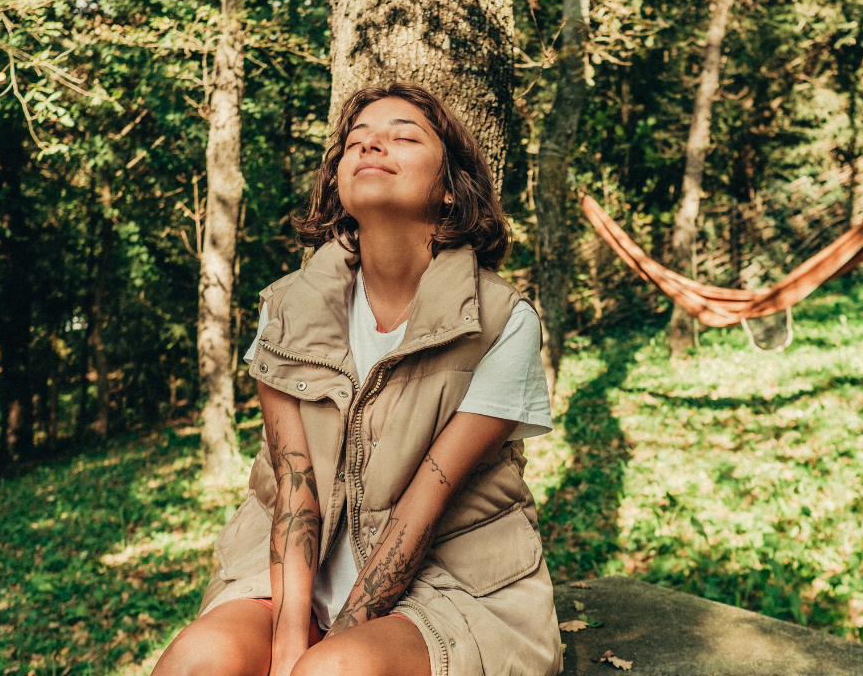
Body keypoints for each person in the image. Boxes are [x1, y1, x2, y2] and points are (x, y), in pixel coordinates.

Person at [153, 82, 564, 676]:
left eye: (403, 137)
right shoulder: (285, 311)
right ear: (339, 183)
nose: (373, 146)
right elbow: (294, 491)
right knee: (196, 660)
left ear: (450, 187)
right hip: (295, 581)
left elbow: (424, 506)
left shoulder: (502, 322)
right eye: (356, 142)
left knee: (332, 672)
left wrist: (326, 649)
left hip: (451, 589)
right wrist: (291, 636)